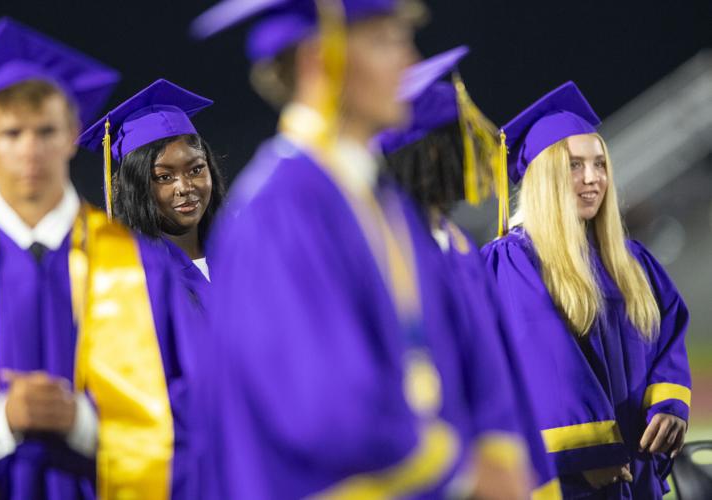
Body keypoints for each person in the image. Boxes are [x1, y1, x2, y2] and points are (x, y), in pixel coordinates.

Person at [191, 1, 532, 498]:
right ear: (317, 61)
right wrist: (463, 470)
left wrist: (498, 448)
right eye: (384, 42)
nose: (409, 59)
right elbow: (321, 407)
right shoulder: (278, 213)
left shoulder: (379, 201)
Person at [0, 17, 202, 499]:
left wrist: (87, 423)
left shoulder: (140, 267)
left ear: (72, 133)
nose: (30, 150)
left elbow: (198, 406)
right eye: (13, 134)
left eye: (46, 130)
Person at [482, 81, 691, 498]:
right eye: (574, 165)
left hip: (636, 470)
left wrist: (668, 407)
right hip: (569, 479)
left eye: (599, 164)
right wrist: (589, 455)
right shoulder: (516, 261)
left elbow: (668, 333)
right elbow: (546, 359)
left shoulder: (631, 261)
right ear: (544, 177)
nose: (592, 178)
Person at [378, 46, 560, 498]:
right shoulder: (386, 252)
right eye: (463, 139)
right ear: (433, 155)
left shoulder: (457, 245)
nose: (478, 151)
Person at [79, 78, 226, 305]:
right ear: (135, 187)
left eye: (196, 169)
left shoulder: (244, 250)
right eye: (164, 177)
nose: (185, 187)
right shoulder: (131, 277)